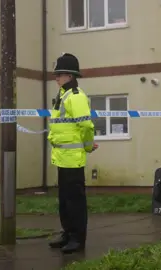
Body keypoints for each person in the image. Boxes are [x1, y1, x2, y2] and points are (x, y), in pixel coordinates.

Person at [47, 53, 97, 254]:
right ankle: (68, 233)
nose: (56, 78)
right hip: (62, 157)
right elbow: (59, 125)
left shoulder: (76, 97)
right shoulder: (63, 95)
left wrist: (87, 146)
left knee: (75, 201)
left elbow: (85, 124)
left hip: (73, 159)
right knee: (65, 200)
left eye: (58, 74)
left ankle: (77, 238)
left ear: (69, 75)